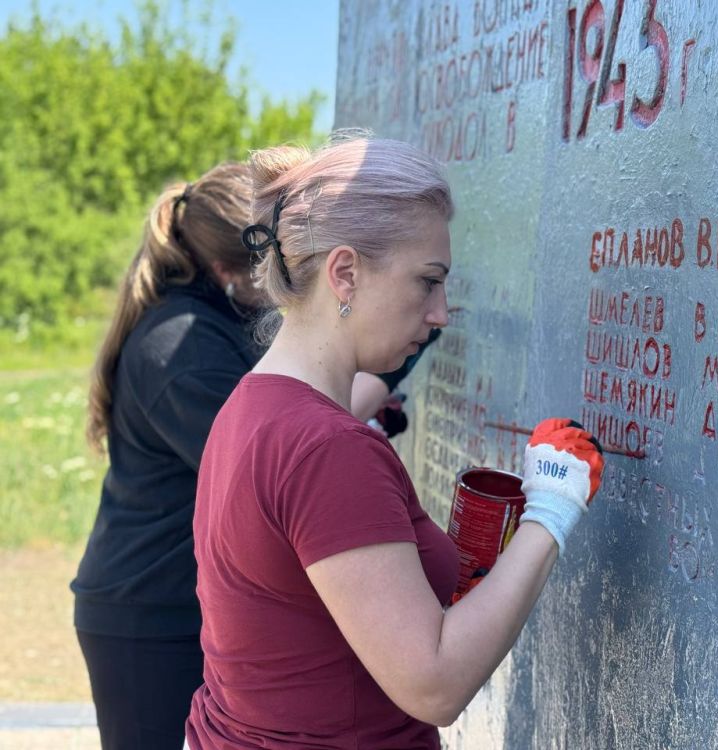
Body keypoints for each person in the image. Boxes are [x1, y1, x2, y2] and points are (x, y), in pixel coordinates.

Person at [184, 134, 606, 749]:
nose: (440, 312)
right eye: (427, 282)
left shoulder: (251, 404)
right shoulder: (326, 448)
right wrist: (550, 513)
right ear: (346, 273)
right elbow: (432, 685)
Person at [73, 162, 433, 750]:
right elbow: (271, 457)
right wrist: (389, 373)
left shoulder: (208, 322)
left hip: (177, 604)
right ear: (230, 269)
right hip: (148, 614)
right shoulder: (180, 346)